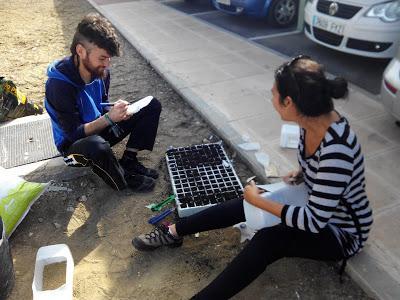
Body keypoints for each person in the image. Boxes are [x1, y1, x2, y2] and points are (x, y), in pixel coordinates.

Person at [132, 56, 374, 299]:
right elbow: (325, 171)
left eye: (274, 94)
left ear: (289, 102)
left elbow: (314, 221)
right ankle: (173, 232)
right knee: (248, 201)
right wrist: (303, 173)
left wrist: (259, 201)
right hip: (319, 204)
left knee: (271, 238)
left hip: (342, 231)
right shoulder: (314, 119)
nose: (271, 99)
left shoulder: (336, 149)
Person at [45, 13, 161, 192]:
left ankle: (129, 160)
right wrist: (108, 118)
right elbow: (73, 134)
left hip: (99, 130)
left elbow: (102, 103)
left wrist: (115, 110)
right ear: (81, 51)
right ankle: (124, 178)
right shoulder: (58, 85)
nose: (107, 65)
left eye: (109, 58)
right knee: (96, 146)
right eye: (102, 58)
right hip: (75, 148)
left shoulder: (101, 72)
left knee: (150, 105)